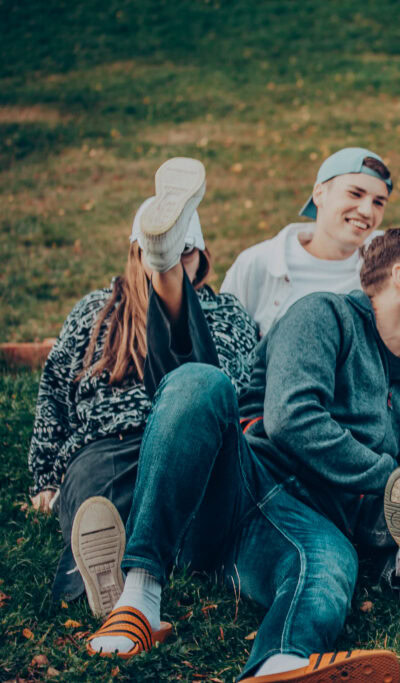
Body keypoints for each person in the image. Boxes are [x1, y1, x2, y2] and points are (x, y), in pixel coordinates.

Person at [79, 162, 400, 682]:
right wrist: (389, 475)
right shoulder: (324, 316)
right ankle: (139, 600)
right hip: (238, 484)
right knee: (201, 383)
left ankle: (280, 663)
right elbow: (292, 419)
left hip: (308, 526)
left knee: (331, 567)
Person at [27, 157, 257, 616]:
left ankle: (154, 562)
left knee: (197, 389)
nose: (184, 261)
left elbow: (233, 386)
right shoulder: (96, 310)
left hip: (190, 444)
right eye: (167, 253)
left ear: (203, 257)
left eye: (186, 252)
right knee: (97, 507)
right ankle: (105, 576)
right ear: (135, 253)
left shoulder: (227, 312)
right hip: (109, 446)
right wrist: (46, 477)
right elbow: (55, 391)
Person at [222, 147, 393, 336]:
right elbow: (224, 336)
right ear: (319, 193)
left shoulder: (391, 264)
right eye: (355, 194)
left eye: (378, 203)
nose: (367, 211)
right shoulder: (258, 263)